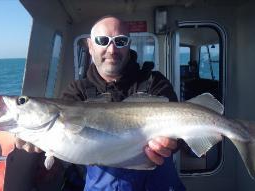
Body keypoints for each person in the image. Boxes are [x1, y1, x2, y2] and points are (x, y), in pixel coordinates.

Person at [16, 16, 185, 191]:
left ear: (128, 45)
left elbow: (184, 134)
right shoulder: (76, 92)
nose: (112, 49)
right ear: (90, 46)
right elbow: (63, 139)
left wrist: (172, 144)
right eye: (102, 41)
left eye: (120, 41)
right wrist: (38, 141)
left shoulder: (155, 83)